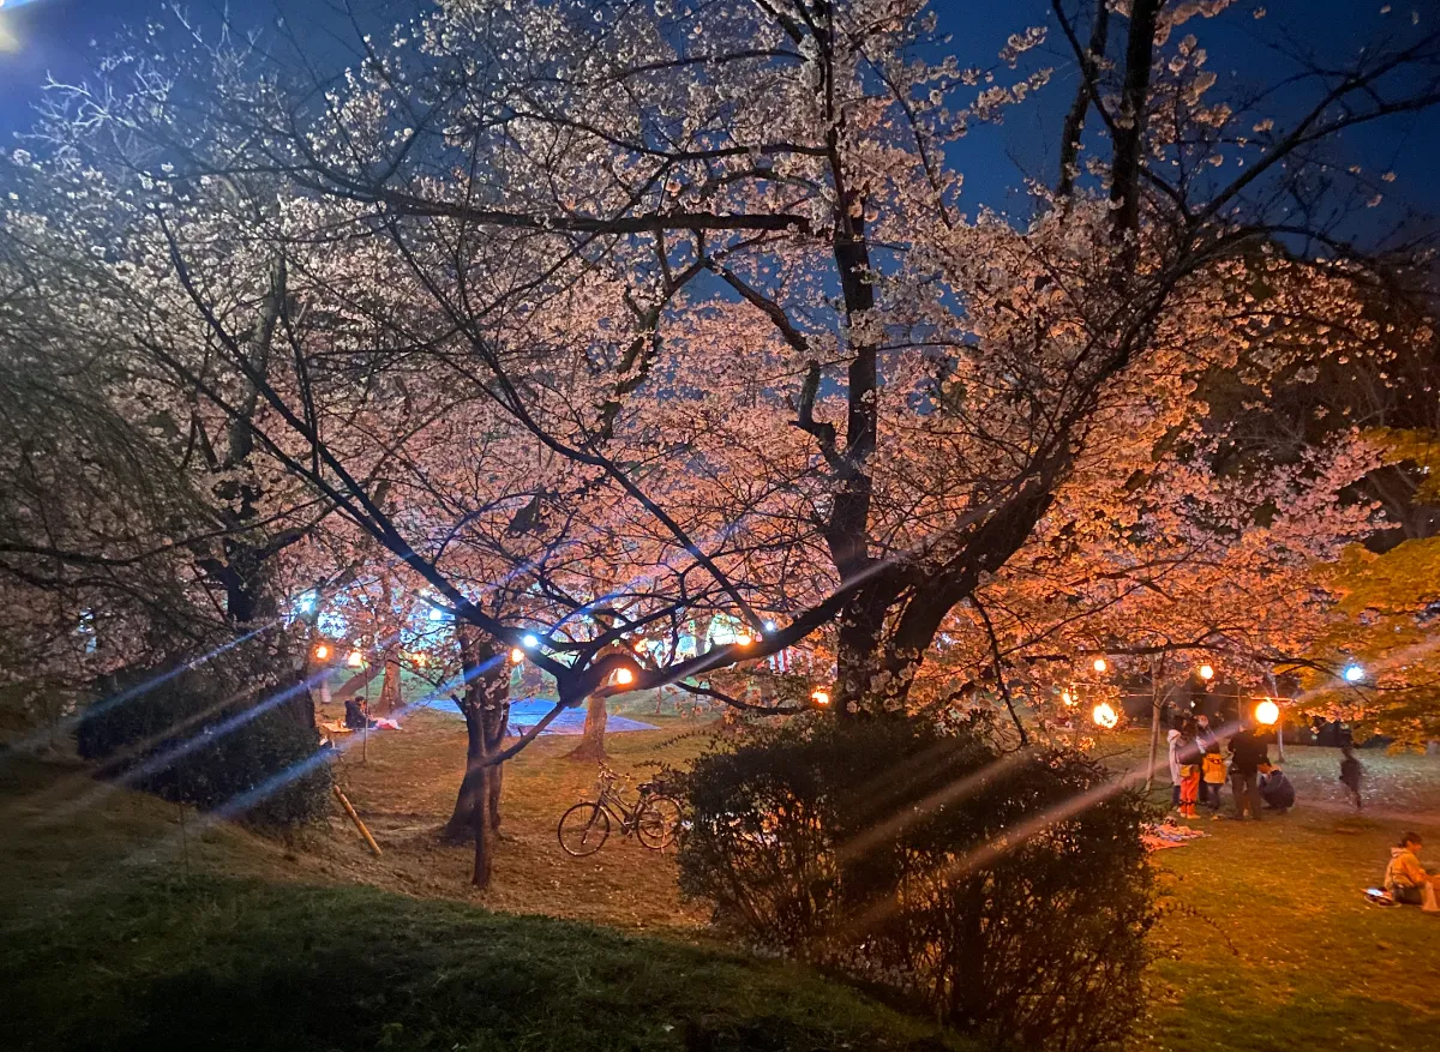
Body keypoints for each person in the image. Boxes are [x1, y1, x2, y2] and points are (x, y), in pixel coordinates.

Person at [1384, 832, 1439, 905]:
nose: (1420, 847)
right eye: (1417, 844)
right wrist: (1433, 880)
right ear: (1409, 843)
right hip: (1404, 892)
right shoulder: (1408, 857)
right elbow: (1418, 880)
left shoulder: (1398, 855)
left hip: (1394, 889)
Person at [1228, 722, 1269, 820]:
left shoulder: (1237, 736)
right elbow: (1264, 751)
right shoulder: (1258, 736)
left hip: (1238, 766)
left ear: (1242, 727)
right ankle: (1257, 814)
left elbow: (1230, 748)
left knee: (1237, 790)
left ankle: (1239, 813)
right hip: (1252, 767)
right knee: (1253, 790)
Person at [1197, 714, 1227, 814]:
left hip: (1209, 776)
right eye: (1202, 720)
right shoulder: (1199, 731)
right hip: (1218, 777)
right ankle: (1213, 802)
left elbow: (1205, 768)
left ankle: (1210, 803)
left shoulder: (1208, 730)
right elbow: (1223, 767)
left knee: (1211, 790)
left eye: (1205, 719)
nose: (1204, 721)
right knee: (1215, 791)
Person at [1176, 717, 1203, 820]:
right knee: (1192, 789)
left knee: (1183, 788)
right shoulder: (1193, 741)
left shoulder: (1179, 740)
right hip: (1193, 766)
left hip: (1183, 765)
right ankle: (1190, 812)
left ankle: (1183, 810)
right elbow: (1196, 754)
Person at [1166, 717, 1186, 811]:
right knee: (1179, 782)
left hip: (1174, 759)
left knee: (1177, 781)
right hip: (1177, 760)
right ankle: (1177, 802)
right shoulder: (1177, 735)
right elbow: (1183, 745)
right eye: (1183, 722)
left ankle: (1176, 802)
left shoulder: (1173, 733)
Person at [1339, 745, 1364, 810]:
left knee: (1354, 791)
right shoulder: (1347, 762)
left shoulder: (1346, 762)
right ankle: (1358, 804)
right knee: (1354, 791)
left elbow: (1343, 771)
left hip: (1351, 777)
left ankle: (1358, 805)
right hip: (1351, 777)